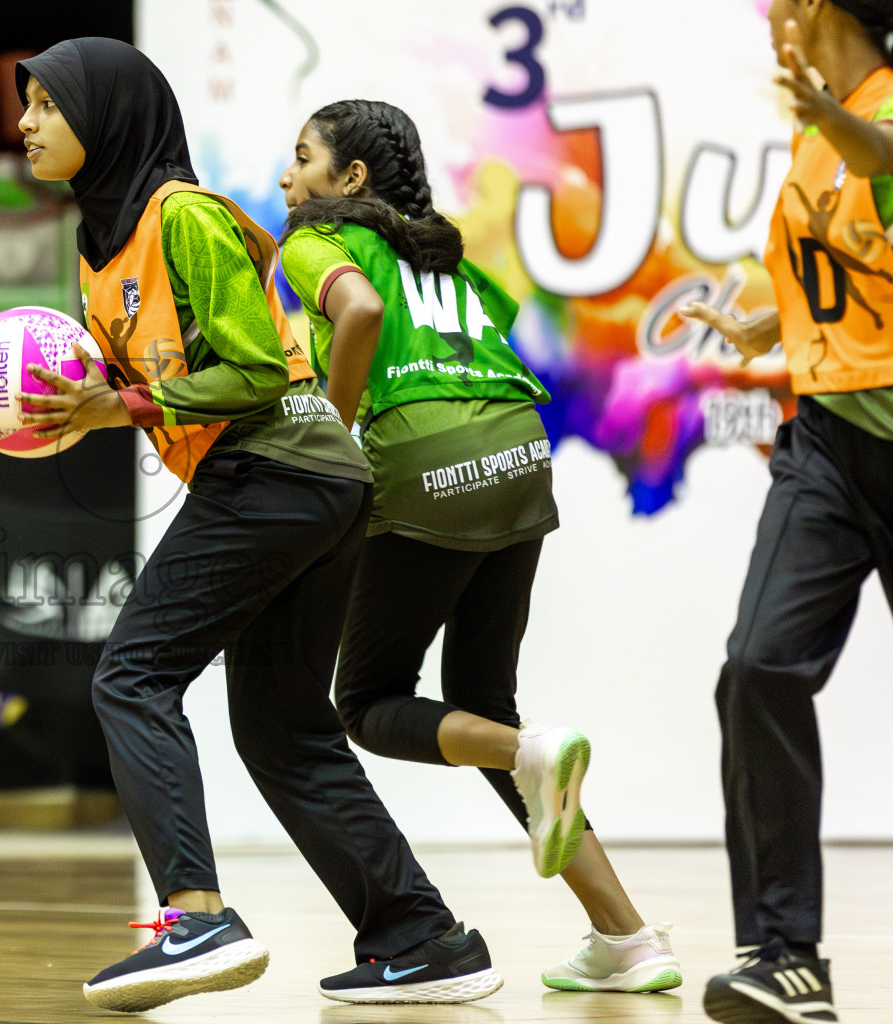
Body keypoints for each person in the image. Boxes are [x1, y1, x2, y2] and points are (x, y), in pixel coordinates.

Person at [11, 37, 503, 1011]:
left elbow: (252, 370)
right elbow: (155, 370)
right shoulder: (97, 242)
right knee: (284, 732)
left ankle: (194, 919)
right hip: (298, 480)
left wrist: (126, 407)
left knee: (132, 675)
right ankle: (420, 936)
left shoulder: (183, 215)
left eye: (44, 106)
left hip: (278, 464)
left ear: (105, 118)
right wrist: (74, 395)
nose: (23, 123)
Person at [276, 98, 683, 994]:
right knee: (489, 712)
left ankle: (531, 765)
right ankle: (626, 937)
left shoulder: (313, 240)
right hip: (519, 453)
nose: (285, 178)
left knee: (371, 702)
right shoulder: (443, 250)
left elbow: (360, 316)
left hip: (428, 465)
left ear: (349, 180)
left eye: (302, 159)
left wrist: (328, 453)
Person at [681, 1, 893, 1021]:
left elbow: (888, 151)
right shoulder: (818, 129)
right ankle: (785, 954)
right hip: (825, 442)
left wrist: (833, 119)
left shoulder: (879, 112)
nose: (766, 11)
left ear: (816, 8)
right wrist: (755, 313)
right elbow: (842, 258)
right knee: (759, 665)